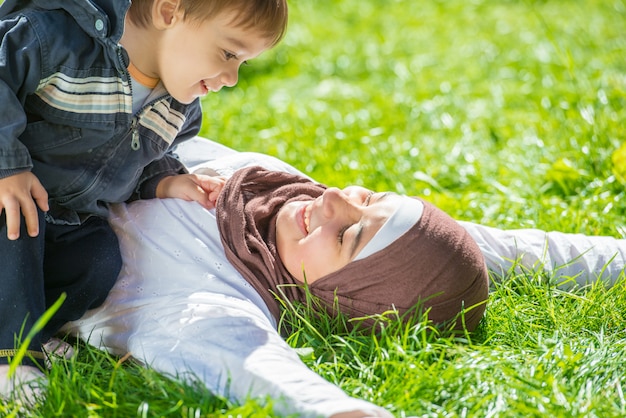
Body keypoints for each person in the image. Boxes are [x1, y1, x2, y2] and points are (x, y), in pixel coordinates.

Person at [61, 138, 625, 417]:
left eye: (349, 237)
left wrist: (333, 409)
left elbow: (243, 358)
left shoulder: (208, 294)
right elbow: (508, 248)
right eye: (369, 200)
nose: (331, 199)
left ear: (340, 296)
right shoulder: (289, 199)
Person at [0, 0, 287, 398]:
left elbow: (131, 158)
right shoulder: (57, 40)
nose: (232, 77)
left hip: (63, 217)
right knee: (14, 220)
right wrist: (8, 167)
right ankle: (12, 356)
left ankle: (30, 322)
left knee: (98, 261)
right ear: (169, 11)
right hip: (10, 192)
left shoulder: (177, 109)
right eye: (228, 53)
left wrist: (163, 181)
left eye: (243, 63)